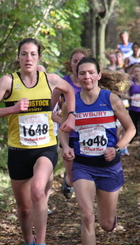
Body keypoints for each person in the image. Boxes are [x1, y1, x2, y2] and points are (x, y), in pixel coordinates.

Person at [0, 38, 76, 245]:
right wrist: (12, 108)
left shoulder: (50, 80)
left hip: (45, 148)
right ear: (19, 57)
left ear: (39, 58)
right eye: (24, 54)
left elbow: (70, 91)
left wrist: (70, 114)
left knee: (38, 191)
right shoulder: (8, 82)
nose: (28, 59)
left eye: (33, 54)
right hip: (18, 152)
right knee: (23, 209)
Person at [59, 57, 136, 245]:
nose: (87, 77)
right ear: (76, 77)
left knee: (106, 224)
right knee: (86, 215)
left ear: (98, 75)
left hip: (108, 167)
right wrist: (65, 147)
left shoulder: (111, 99)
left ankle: (109, 220)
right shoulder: (71, 102)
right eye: (82, 73)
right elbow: (63, 129)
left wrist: (117, 148)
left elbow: (131, 129)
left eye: (91, 73)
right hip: (83, 166)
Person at [57, 48, 91, 199]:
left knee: (86, 179)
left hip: (88, 134)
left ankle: (86, 212)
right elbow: (48, 111)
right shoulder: (63, 82)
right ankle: (67, 181)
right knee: (72, 179)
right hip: (68, 135)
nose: (78, 64)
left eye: (81, 61)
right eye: (75, 61)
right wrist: (64, 121)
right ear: (70, 64)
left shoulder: (92, 81)